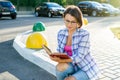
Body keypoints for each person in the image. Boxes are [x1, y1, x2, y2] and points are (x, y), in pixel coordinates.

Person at [50, 5, 99, 80]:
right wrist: (55, 56)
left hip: (85, 67)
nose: (69, 24)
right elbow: (60, 52)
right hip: (71, 65)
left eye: (73, 22)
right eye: (67, 21)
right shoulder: (61, 33)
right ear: (64, 19)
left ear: (78, 23)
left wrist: (62, 60)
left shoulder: (84, 34)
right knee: (59, 66)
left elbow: (79, 58)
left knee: (69, 79)